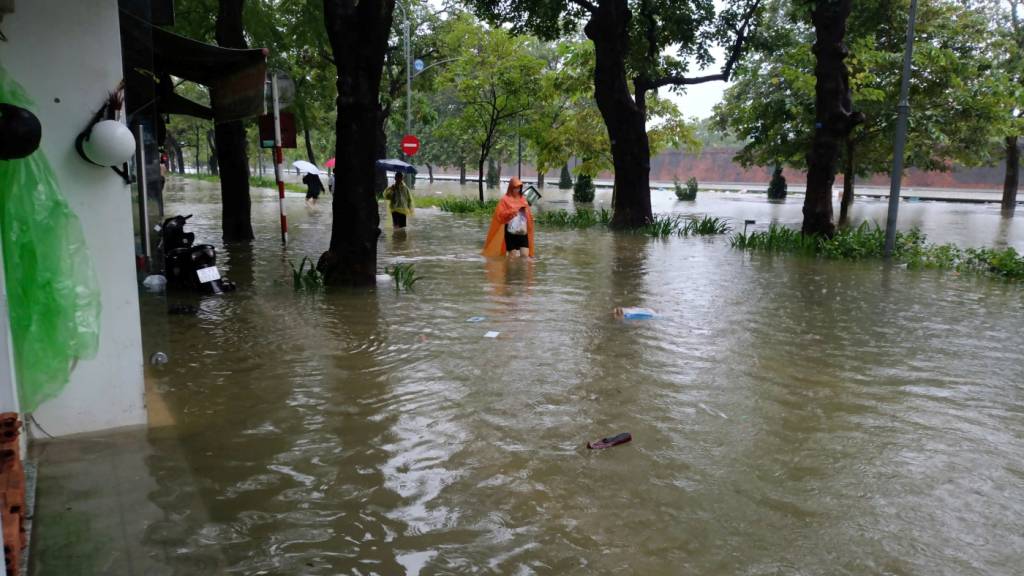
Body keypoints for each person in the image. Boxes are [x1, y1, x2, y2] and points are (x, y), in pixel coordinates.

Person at [483, 176, 535, 258]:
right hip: (510, 230)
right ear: (511, 187)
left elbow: (528, 214)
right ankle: (511, 270)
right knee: (512, 255)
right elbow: (500, 215)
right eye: (515, 187)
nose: (517, 190)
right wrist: (513, 211)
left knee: (525, 255)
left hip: (522, 229)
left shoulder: (523, 199)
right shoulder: (504, 200)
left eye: (519, 187)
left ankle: (522, 270)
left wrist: (529, 217)